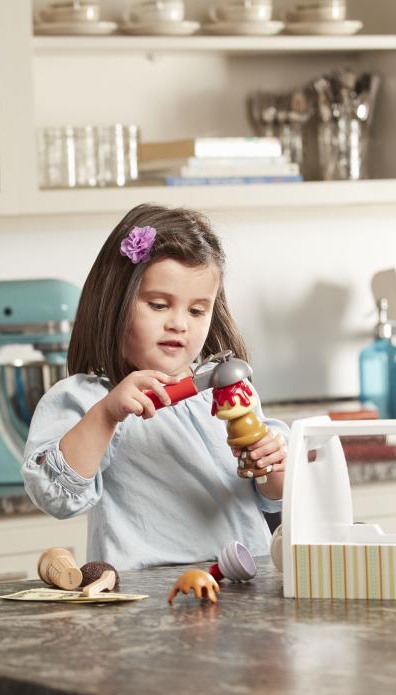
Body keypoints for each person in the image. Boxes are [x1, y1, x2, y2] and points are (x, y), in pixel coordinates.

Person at [21, 204, 288, 571]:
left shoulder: (225, 389)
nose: (179, 324)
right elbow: (58, 497)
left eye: (197, 311)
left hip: (244, 584)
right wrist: (107, 415)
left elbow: (273, 498)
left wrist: (273, 468)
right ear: (115, 304)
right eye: (159, 305)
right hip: (147, 598)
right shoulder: (86, 400)